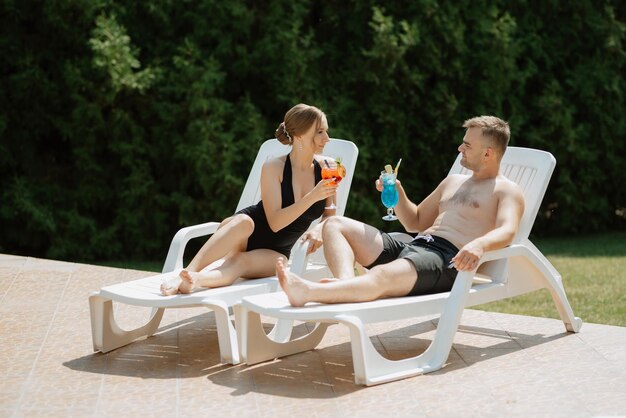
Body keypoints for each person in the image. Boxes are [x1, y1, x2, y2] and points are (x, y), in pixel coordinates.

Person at [276, 115, 525, 307]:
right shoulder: (453, 182)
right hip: (415, 246)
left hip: (446, 259)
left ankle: (308, 292)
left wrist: (480, 245)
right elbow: (414, 222)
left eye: (467, 145)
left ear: (488, 153)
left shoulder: (506, 190)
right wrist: (398, 192)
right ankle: (345, 286)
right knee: (334, 224)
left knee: (381, 275)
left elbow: (508, 230)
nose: (460, 148)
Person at [161, 103, 338, 295]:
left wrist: (320, 229)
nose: (326, 138)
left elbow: (330, 214)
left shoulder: (327, 167)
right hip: (246, 232)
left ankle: (194, 280)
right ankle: (186, 273)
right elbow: (276, 223)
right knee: (243, 222)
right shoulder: (274, 167)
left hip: (277, 251)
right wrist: (312, 196)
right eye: (320, 132)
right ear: (299, 135)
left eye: (326, 132)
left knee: (239, 263)